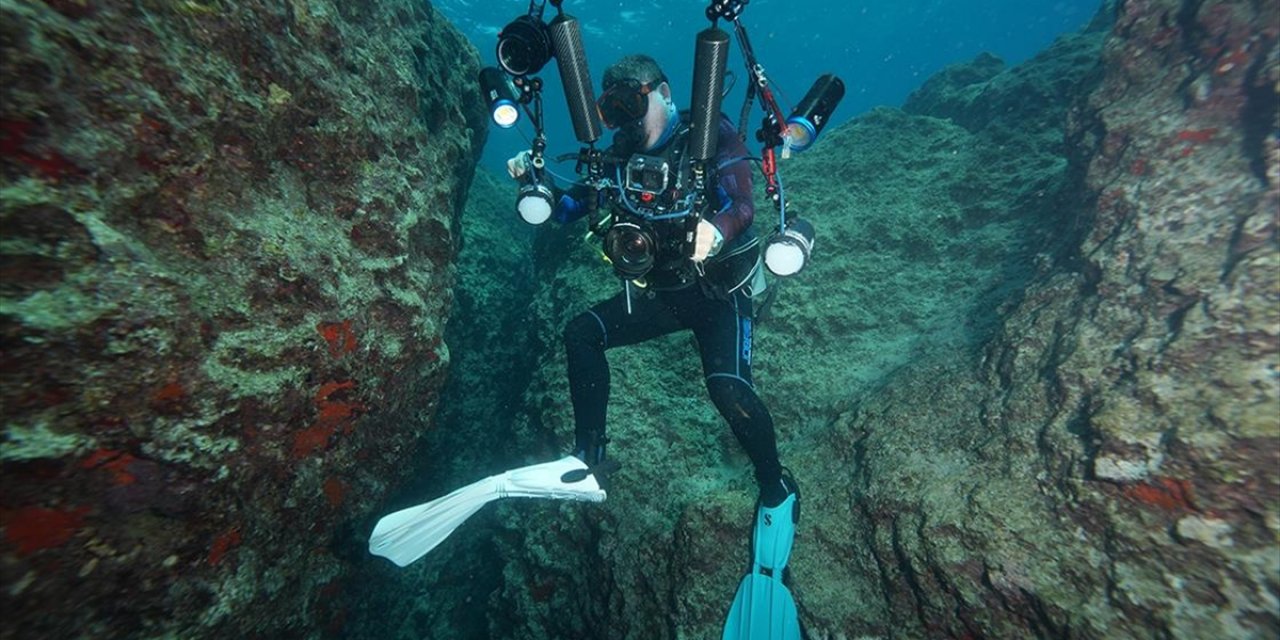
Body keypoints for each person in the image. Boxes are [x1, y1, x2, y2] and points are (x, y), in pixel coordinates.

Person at [507, 52, 798, 535]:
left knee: (726, 388)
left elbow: (743, 204)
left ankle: (776, 486)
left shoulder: (705, 138)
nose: (624, 117)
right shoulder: (617, 156)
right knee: (581, 333)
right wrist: (533, 185)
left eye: (631, 100)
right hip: (660, 295)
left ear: (663, 92)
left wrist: (718, 230)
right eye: (613, 107)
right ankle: (589, 459)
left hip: (719, 290)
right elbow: (566, 209)